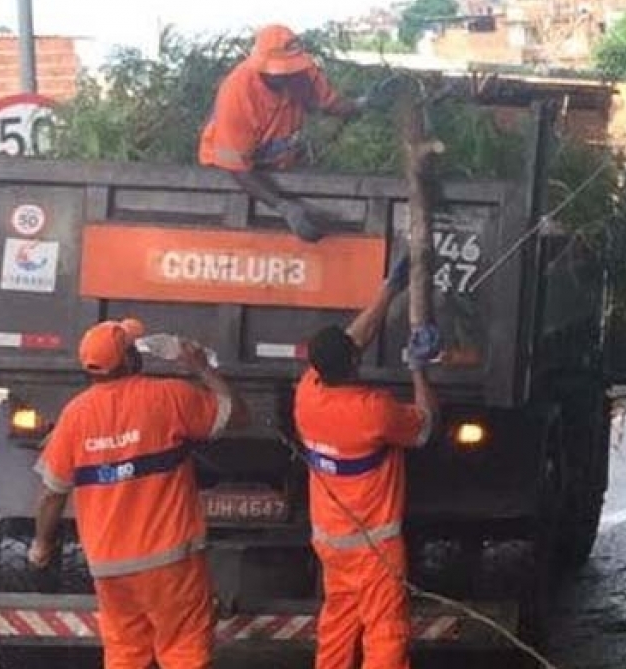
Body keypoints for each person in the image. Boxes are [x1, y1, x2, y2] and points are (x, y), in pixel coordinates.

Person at [28, 318, 250, 669]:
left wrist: (41, 544)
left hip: (110, 568)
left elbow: (51, 494)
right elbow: (237, 416)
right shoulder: (167, 397)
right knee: (184, 653)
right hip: (171, 561)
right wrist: (202, 369)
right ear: (130, 360)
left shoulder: (74, 416)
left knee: (125, 655)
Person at [293, 257, 440, 669]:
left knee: (338, 623)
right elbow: (425, 426)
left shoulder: (307, 394)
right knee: (385, 630)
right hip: (375, 546)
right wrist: (419, 370)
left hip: (331, 543)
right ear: (354, 362)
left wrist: (386, 292)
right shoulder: (373, 411)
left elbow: (353, 340)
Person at [198, 23, 364, 242]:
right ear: (262, 67)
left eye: (291, 69)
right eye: (281, 72)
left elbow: (329, 104)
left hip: (279, 165)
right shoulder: (238, 93)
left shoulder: (303, 74)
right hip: (232, 173)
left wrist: (360, 105)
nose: (288, 76)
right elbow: (236, 167)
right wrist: (283, 207)